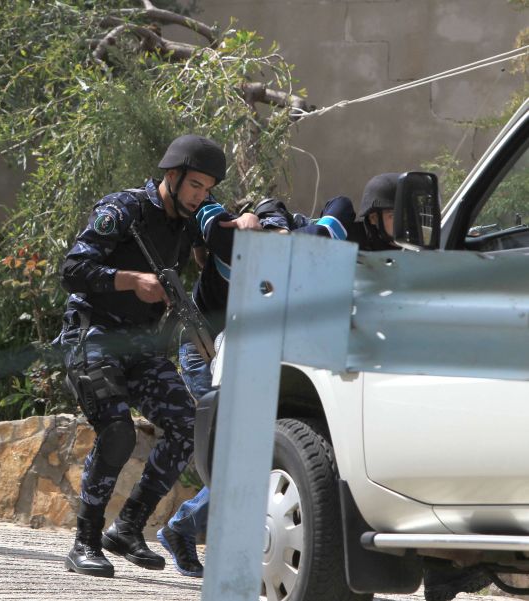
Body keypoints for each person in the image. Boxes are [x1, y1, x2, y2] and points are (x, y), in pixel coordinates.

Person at [56, 134, 250, 578]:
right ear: (173, 176)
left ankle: (127, 528)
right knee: (117, 431)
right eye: (195, 185)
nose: (201, 196)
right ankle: (85, 542)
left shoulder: (190, 219)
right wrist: (131, 281)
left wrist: (249, 218)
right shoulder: (124, 209)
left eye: (207, 188)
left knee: (186, 425)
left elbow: (228, 228)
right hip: (94, 333)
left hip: (141, 345)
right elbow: (72, 270)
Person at [157, 193, 356, 577]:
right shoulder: (237, 244)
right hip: (205, 354)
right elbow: (203, 213)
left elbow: (340, 207)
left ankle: (186, 528)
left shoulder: (301, 244)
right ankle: (186, 528)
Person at [354, 172, 491, 601]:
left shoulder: (406, 253)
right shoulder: (349, 246)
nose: (405, 225)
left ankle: (443, 572)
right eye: (395, 215)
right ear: (373, 217)